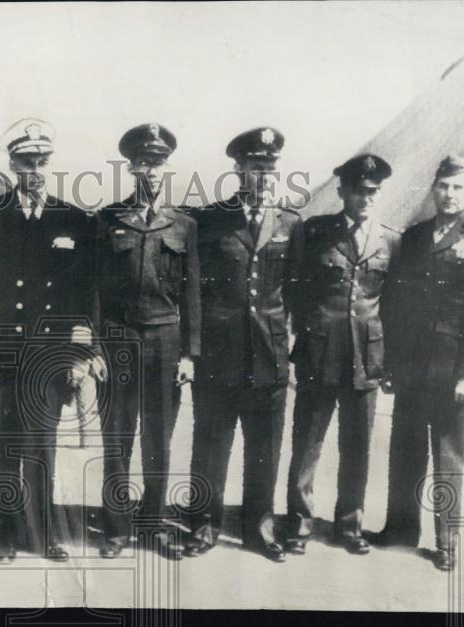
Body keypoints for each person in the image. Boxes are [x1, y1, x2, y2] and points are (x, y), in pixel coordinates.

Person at [0, 118, 100, 563]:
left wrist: (80, 353)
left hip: (49, 352)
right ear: (12, 164)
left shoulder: (74, 219)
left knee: (42, 446)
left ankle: (42, 532)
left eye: (43, 161)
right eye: (27, 162)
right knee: (6, 444)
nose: (36, 170)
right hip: (4, 351)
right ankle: (7, 533)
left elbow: (86, 292)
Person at [378, 155, 464, 571]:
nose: (449, 195)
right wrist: (392, 363)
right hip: (412, 366)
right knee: (405, 448)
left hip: (453, 369)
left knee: (448, 454)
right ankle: (399, 528)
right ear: (433, 188)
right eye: (443, 186)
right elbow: (396, 305)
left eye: (458, 187)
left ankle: (447, 542)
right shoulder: (414, 238)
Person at [184, 127, 303, 562]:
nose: (267, 175)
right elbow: (194, 292)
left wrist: (290, 348)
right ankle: (204, 525)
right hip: (219, 356)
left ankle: (259, 530)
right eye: (257, 167)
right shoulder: (211, 221)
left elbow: (296, 294)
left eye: (272, 168)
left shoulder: (291, 224)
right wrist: (193, 352)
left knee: (264, 449)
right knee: (211, 445)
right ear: (239, 170)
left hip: (269, 359)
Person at [284, 154, 401, 556]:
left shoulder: (390, 240)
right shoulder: (315, 232)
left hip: (366, 359)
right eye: (358, 191)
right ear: (343, 192)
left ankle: (349, 526)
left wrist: (388, 361)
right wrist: (303, 337)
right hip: (319, 354)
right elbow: (296, 289)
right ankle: (299, 523)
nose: (366, 198)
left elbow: (393, 304)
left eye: (373, 192)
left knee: (357, 447)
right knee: (307, 443)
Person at [95, 123, 200, 561]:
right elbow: (95, 290)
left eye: (158, 162)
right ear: (131, 166)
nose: (151, 170)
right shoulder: (108, 220)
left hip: (165, 340)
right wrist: (95, 348)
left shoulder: (184, 224)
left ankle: (153, 525)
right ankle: (116, 527)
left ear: (168, 167)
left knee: (159, 438)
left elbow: (193, 292)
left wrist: (190, 354)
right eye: (143, 162)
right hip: (118, 337)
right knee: (116, 436)